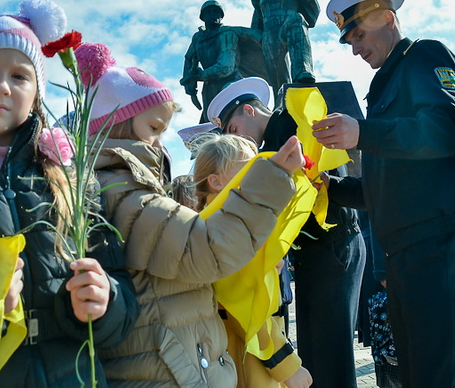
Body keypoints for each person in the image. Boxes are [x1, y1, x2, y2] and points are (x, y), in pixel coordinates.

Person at [0, 0, 137, 386]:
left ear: (37, 93)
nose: (2, 86)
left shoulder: (69, 178)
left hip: (75, 374)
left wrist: (106, 302)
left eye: (20, 76)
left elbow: (120, 284)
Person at [80, 42, 303, 387]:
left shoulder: (127, 191)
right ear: (120, 128)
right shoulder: (129, 196)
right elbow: (207, 250)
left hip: (176, 361)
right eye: (154, 129)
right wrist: (269, 180)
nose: (159, 145)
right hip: (170, 368)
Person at [312, 0, 455, 387]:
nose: (354, 48)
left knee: (436, 376)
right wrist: (330, 188)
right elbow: (384, 189)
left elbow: (448, 132)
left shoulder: (424, 56)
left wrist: (363, 134)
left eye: (359, 35)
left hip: (435, 245)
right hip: (405, 253)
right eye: (349, 40)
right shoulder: (387, 81)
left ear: (387, 19)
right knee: (416, 374)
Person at [206, 76, 364, 388]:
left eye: (234, 129)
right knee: (315, 351)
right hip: (313, 254)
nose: (239, 140)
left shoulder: (296, 122)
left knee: (331, 351)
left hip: (333, 246)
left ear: (249, 111)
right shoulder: (269, 145)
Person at [189, 132, 312, 388]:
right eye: (250, 167)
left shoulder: (217, 224)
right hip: (249, 359)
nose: (260, 173)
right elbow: (244, 309)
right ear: (216, 181)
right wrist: (288, 367)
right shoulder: (225, 232)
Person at [181, 0, 266, 120]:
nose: (213, 14)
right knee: (208, 129)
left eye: (216, 12)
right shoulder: (198, 38)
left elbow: (226, 67)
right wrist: (189, 84)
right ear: (203, 17)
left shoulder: (227, 34)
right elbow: (189, 58)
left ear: (221, 16)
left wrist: (200, 75)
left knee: (234, 120)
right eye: (209, 12)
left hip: (231, 85)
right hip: (210, 90)